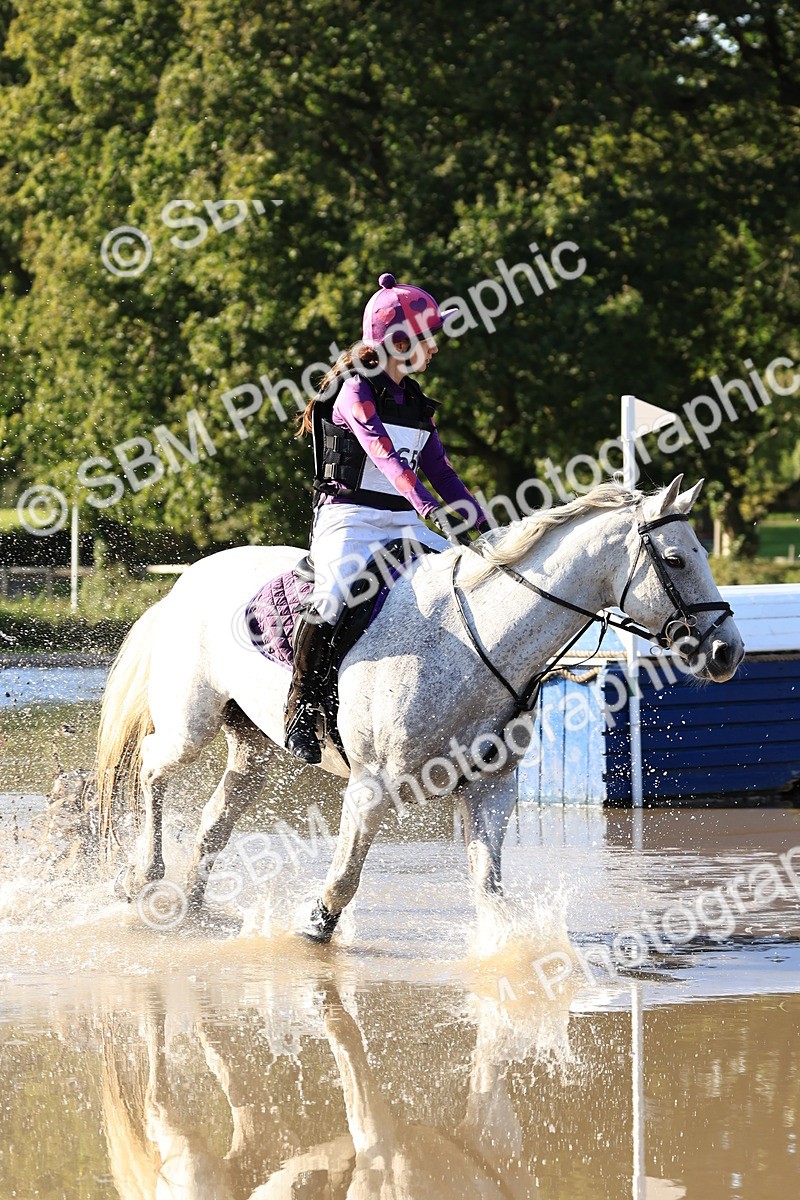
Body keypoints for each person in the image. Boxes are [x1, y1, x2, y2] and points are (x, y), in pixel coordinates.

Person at [285, 271, 490, 764]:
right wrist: (429, 507)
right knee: (332, 598)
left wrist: (484, 528)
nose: (435, 347)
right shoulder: (355, 393)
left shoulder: (417, 403)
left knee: (471, 586)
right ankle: (299, 710)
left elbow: (440, 468)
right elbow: (386, 459)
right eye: (428, 336)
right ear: (399, 341)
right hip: (349, 519)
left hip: (403, 522)